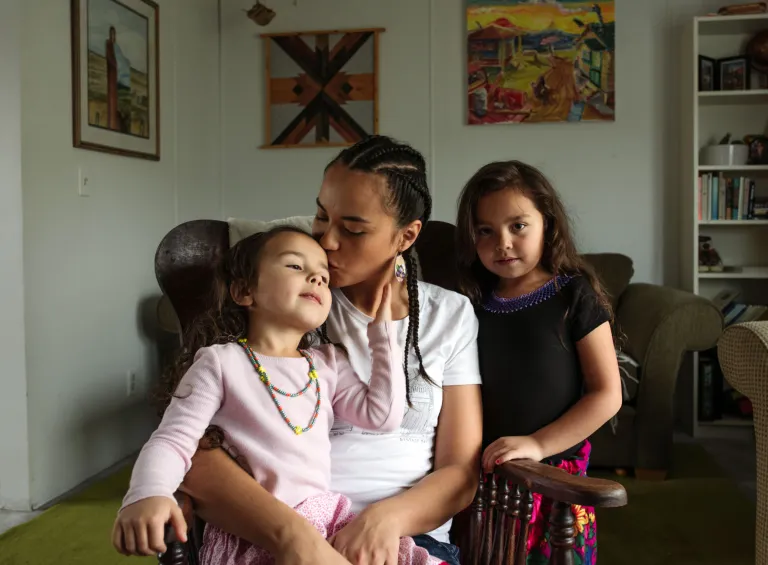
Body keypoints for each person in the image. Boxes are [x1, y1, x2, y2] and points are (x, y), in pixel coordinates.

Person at [119, 136, 483, 565]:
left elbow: (459, 470)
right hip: (278, 532)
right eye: (321, 216)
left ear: (406, 236)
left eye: (352, 229)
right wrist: (295, 538)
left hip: (407, 537)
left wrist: (384, 521)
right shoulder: (285, 302)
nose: (327, 242)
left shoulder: (450, 314)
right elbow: (192, 439)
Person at [455, 161, 622, 565]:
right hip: (486, 470)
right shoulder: (468, 304)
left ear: (547, 222)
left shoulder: (573, 294)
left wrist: (537, 444)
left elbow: (607, 394)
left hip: (555, 473)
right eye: (486, 231)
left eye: (518, 226)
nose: (503, 243)